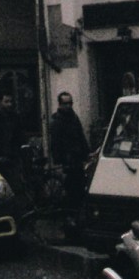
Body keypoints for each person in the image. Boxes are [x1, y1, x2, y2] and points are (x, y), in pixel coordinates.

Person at [48, 91, 90, 220]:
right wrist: (59, 163)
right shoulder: (56, 121)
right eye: (65, 103)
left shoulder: (74, 117)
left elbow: (80, 136)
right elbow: (55, 144)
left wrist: (86, 153)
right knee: (70, 191)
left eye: (70, 103)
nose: (68, 106)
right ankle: (69, 218)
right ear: (60, 104)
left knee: (80, 189)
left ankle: (77, 216)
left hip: (76, 160)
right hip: (66, 162)